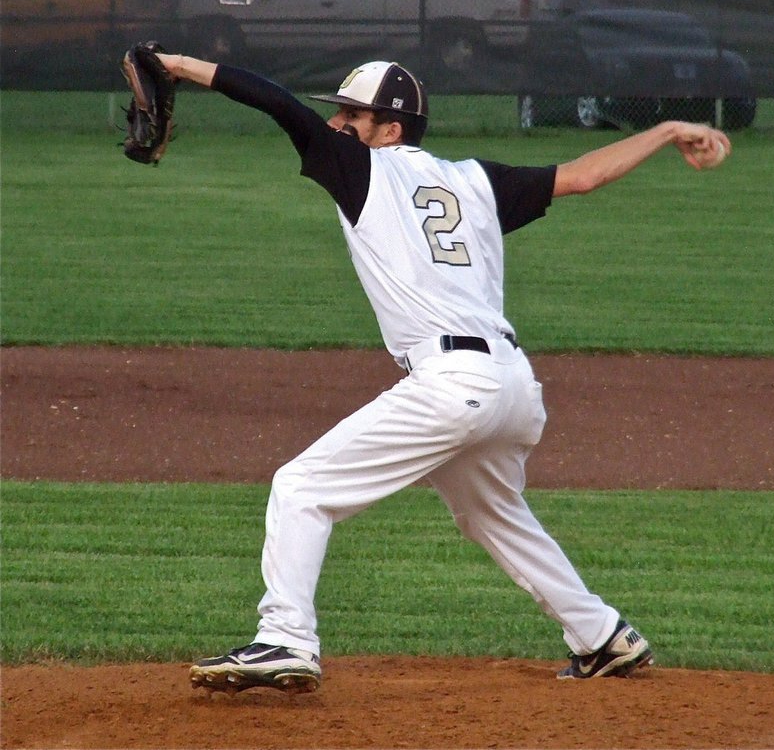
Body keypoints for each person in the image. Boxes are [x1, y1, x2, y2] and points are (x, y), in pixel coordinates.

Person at [152, 53, 730, 693]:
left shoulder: (360, 168)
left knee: (301, 487)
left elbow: (277, 102)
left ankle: (284, 638)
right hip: (512, 383)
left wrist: (180, 65)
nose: (338, 124)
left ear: (391, 129)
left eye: (353, 113)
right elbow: (584, 177)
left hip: (453, 383)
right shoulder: (477, 180)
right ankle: (601, 636)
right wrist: (669, 129)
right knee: (490, 514)